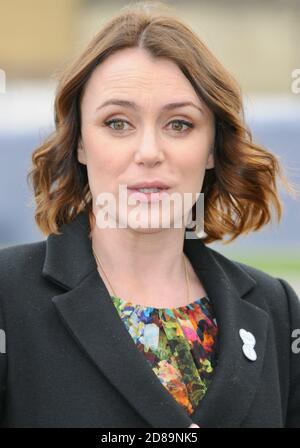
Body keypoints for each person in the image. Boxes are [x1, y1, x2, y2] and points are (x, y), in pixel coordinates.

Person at [0, 1, 299, 428]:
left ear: (212, 147)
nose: (149, 153)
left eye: (178, 124)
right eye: (118, 123)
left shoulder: (278, 309)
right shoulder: (6, 298)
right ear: (79, 143)